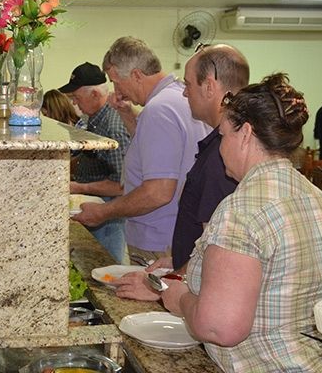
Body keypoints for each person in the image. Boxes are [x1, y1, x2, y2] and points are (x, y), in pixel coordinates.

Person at [160, 73, 322, 372]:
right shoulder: (319, 199)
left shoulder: (241, 210)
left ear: (245, 134)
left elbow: (220, 328)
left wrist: (181, 299)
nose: (221, 148)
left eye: (223, 136)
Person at [113, 44, 248, 301]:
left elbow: (217, 251)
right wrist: (177, 261)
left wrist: (161, 287)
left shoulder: (223, 157)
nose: (184, 93)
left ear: (209, 86)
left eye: (187, 85)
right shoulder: (216, 145)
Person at [73, 36, 210, 262]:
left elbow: (158, 192)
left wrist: (103, 212)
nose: (116, 91)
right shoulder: (176, 98)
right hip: (177, 232)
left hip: (158, 239)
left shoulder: (159, 110)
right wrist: (127, 114)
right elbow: (158, 149)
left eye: (116, 82)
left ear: (137, 75)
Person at [59, 62, 131, 263]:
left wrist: (79, 186)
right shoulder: (94, 119)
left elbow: (121, 185)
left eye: (76, 98)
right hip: (93, 206)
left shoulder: (113, 126)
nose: (74, 104)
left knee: (107, 266)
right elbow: (88, 157)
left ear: (95, 95)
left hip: (109, 215)